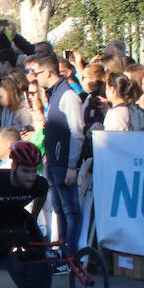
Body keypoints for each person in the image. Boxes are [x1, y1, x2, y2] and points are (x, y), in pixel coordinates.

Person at [27, 54, 84, 256]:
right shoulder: (53, 95)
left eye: (38, 73)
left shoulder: (67, 95)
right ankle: (62, 251)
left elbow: (77, 133)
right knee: (60, 209)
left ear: (48, 72)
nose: (36, 77)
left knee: (71, 211)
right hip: (53, 162)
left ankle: (71, 254)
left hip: (63, 163)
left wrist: (71, 166)